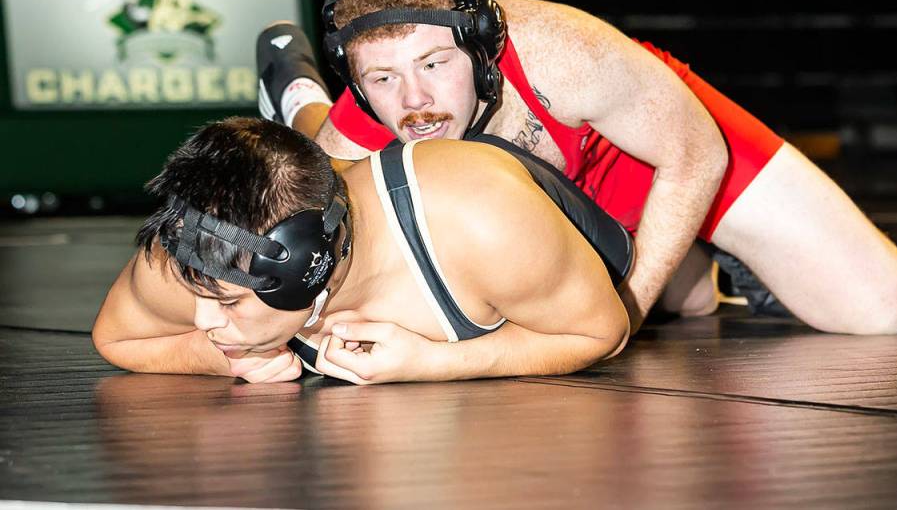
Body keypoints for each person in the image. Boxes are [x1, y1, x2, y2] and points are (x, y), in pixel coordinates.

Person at [256, 0, 897, 336]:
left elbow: (697, 154)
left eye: (434, 64)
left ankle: (697, 244)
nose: (415, 101)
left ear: (482, 47)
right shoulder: (370, 121)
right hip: (553, 199)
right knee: (691, 306)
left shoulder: (562, 51)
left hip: (651, 149)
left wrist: (625, 310)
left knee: (884, 307)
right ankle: (302, 99)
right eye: (383, 77)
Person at [91, 117, 630, 384]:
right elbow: (117, 338)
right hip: (325, 185)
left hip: (556, 201)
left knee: (689, 292)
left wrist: (440, 363)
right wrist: (233, 357)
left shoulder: (481, 220)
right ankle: (300, 100)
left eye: (230, 304)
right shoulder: (204, 245)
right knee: (311, 150)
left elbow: (603, 331)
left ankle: (305, 99)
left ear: (309, 269)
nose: (202, 319)